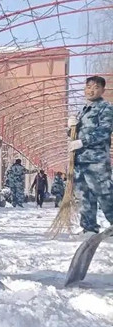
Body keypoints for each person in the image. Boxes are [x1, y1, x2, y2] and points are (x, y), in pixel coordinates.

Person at [68, 75, 113, 234]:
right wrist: (71, 127)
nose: (91, 90)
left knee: (104, 193)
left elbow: (104, 131)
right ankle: (88, 227)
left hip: (97, 160)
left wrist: (83, 142)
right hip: (81, 159)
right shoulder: (83, 110)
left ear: (102, 90)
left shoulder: (106, 108)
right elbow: (74, 135)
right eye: (88, 87)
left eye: (95, 87)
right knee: (84, 195)